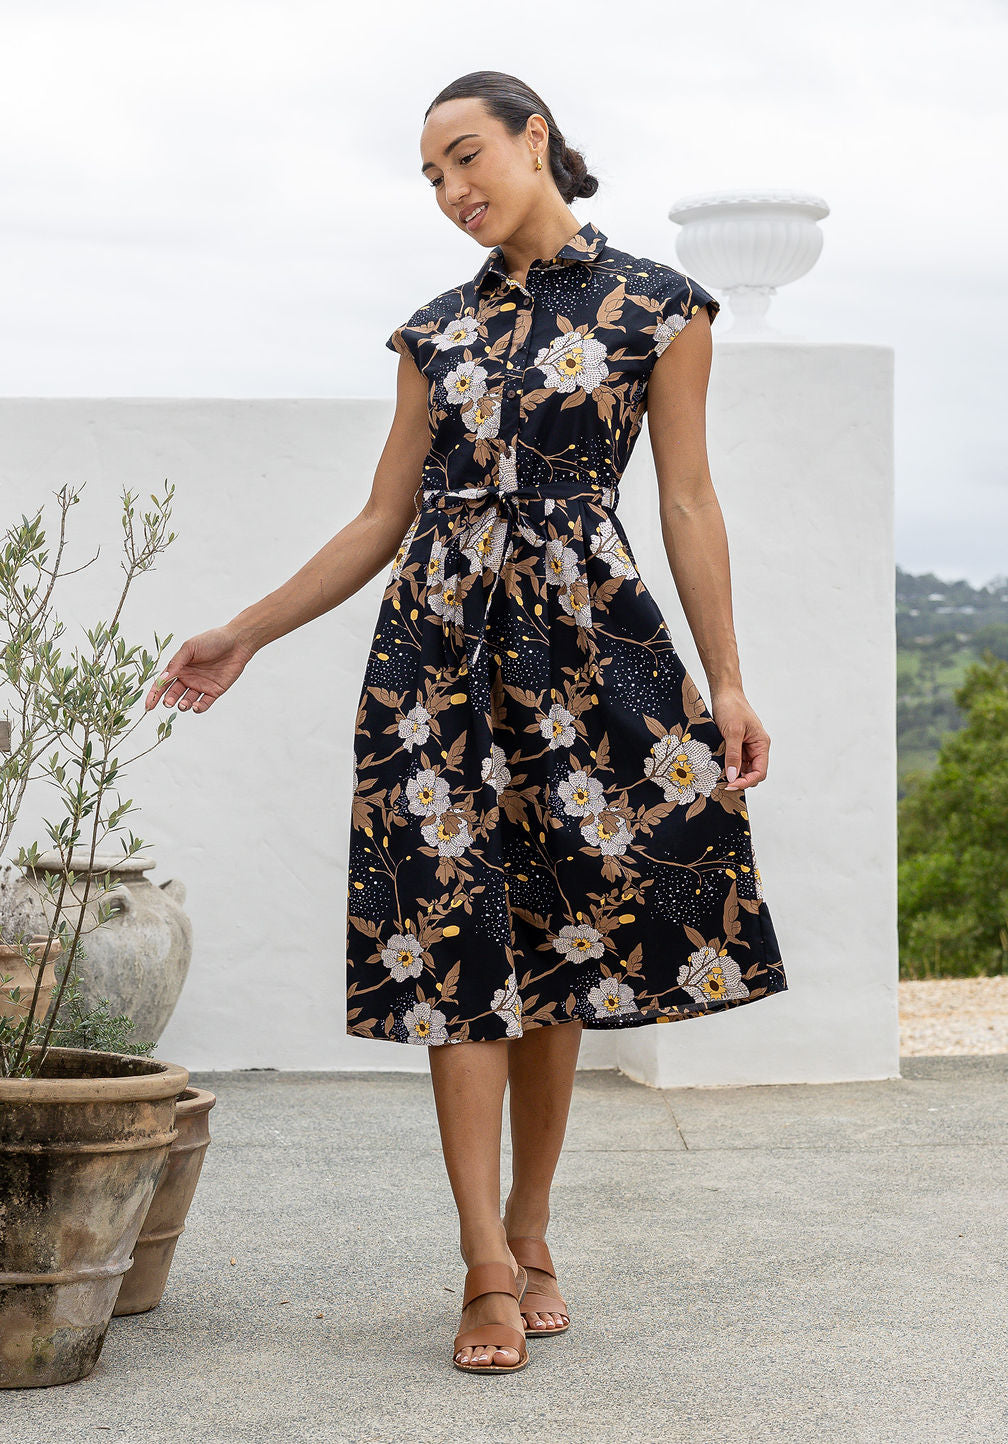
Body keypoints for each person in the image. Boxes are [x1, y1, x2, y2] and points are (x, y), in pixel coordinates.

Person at [145, 70, 788, 1375]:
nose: (451, 192)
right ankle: (482, 1266)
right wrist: (246, 631)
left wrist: (726, 680)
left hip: (584, 660)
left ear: (533, 139)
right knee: (456, 955)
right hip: (433, 665)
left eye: (466, 158)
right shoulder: (433, 335)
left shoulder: (662, 308)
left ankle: (533, 1227)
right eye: (431, 177)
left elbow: (689, 503)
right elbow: (383, 520)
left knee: (552, 953)